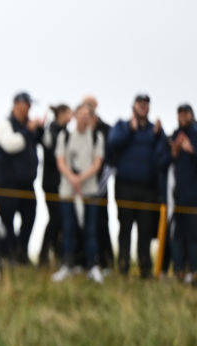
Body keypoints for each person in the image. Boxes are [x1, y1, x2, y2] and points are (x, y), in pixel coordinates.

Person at [106, 94, 169, 277]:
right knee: (125, 228)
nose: (143, 107)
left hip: (148, 190)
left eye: (146, 104)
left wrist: (159, 136)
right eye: (140, 104)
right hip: (125, 187)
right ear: (133, 106)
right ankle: (123, 266)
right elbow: (113, 143)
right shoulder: (122, 126)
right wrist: (130, 131)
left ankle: (145, 268)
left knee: (145, 230)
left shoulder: (155, 131)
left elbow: (162, 158)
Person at [51, 103, 106, 284]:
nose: (83, 117)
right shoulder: (65, 135)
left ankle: (93, 266)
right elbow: (60, 161)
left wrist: (81, 178)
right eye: (80, 114)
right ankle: (67, 265)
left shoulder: (97, 137)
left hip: (89, 191)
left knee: (91, 230)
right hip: (67, 191)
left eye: (87, 115)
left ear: (92, 118)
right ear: (74, 116)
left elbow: (97, 163)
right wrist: (72, 178)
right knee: (68, 229)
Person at [0, 91, 44, 263]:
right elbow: (10, 145)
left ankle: (22, 253)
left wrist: (40, 130)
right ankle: (9, 254)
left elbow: (45, 144)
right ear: (16, 104)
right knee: (7, 220)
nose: (28, 109)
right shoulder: (4, 124)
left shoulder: (30, 126)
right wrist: (28, 131)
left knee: (30, 218)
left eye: (29, 106)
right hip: (8, 183)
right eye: (25, 105)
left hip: (28, 183)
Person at [168, 104, 197, 284]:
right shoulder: (174, 136)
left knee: (194, 236)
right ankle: (179, 272)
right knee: (178, 235)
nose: (183, 117)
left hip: (196, 197)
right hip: (178, 196)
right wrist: (175, 150)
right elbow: (163, 161)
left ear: (192, 115)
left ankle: (195, 272)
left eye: (186, 114)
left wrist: (191, 149)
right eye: (180, 114)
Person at [83, 94, 114, 271]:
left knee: (101, 222)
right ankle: (86, 261)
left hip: (100, 186)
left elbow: (109, 158)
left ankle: (106, 261)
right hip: (82, 185)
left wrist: (102, 183)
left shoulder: (106, 129)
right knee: (84, 224)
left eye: (90, 105)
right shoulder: (80, 129)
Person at [39, 104, 72, 267]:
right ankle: (44, 254)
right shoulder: (50, 130)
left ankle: (55, 253)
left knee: (60, 219)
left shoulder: (66, 132)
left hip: (64, 184)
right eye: (69, 113)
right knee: (55, 218)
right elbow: (51, 154)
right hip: (51, 183)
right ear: (61, 113)